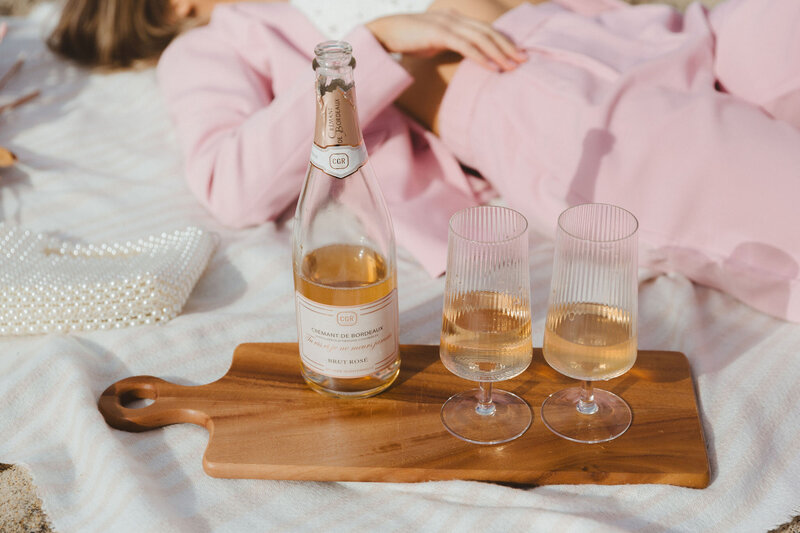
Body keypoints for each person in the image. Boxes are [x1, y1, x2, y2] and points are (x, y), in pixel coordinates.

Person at [48, 0, 800, 322]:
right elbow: (230, 181)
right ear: (171, 7)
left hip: (650, 32)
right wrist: (377, 45)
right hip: (530, 100)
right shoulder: (210, 45)